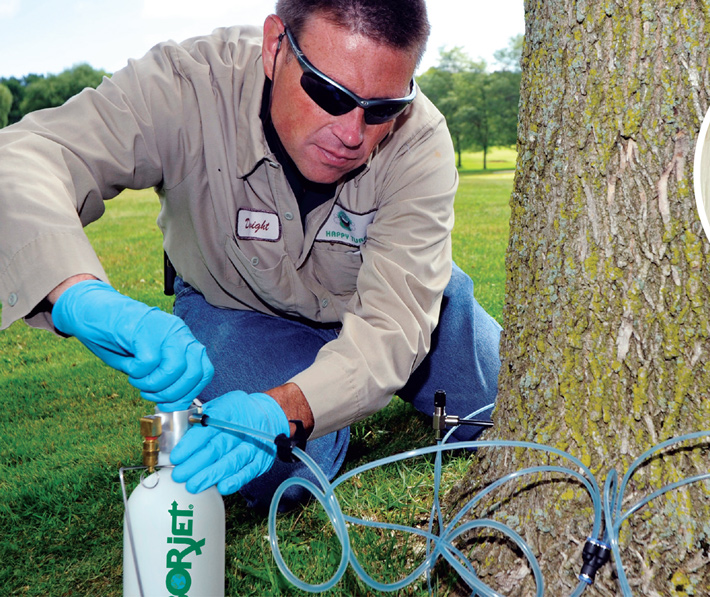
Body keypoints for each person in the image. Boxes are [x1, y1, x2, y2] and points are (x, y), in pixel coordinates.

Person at [0, 0, 500, 510]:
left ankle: (332, 404)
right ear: (275, 45)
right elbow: (24, 157)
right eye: (328, 93)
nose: (353, 134)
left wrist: (284, 408)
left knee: (510, 406)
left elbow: (394, 327)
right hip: (238, 304)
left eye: (382, 110)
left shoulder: (421, 139)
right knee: (273, 477)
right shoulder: (187, 84)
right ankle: (320, 422)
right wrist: (77, 293)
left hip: (396, 301)